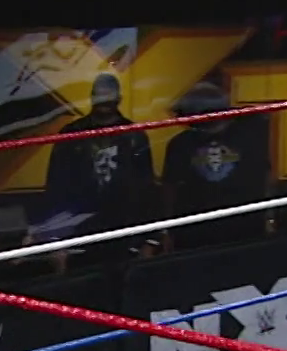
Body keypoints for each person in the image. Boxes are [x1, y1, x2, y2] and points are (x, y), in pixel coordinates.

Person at [38, 72, 156, 267]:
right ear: (92, 97)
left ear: (118, 99)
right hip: (80, 229)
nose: (104, 101)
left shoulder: (134, 135)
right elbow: (56, 186)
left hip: (123, 229)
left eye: (108, 95)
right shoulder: (72, 133)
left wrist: (150, 239)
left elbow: (146, 187)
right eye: (100, 95)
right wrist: (55, 239)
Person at [160, 82, 274, 251]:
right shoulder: (180, 144)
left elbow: (265, 176)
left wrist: (269, 216)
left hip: (241, 227)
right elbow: (170, 188)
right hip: (199, 231)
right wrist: (167, 229)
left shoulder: (249, 135)